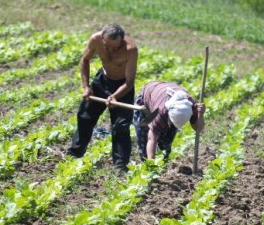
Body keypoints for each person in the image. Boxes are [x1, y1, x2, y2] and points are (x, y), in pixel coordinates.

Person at [67, 24, 138, 170]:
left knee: (121, 126)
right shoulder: (96, 39)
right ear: (102, 38)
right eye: (108, 46)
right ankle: (75, 154)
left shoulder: (130, 49)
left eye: (116, 47)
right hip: (102, 82)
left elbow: (129, 82)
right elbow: (85, 60)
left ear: (122, 41)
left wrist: (115, 96)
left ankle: (120, 166)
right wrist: (86, 87)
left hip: (122, 87)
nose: (112, 50)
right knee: (85, 117)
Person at [134, 81, 205, 160]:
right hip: (148, 94)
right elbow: (152, 139)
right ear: (169, 115)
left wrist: (200, 114)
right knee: (143, 139)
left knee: (165, 145)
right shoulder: (161, 112)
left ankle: (164, 162)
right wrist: (151, 164)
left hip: (164, 93)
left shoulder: (191, 106)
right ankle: (146, 162)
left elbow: (198, 129)